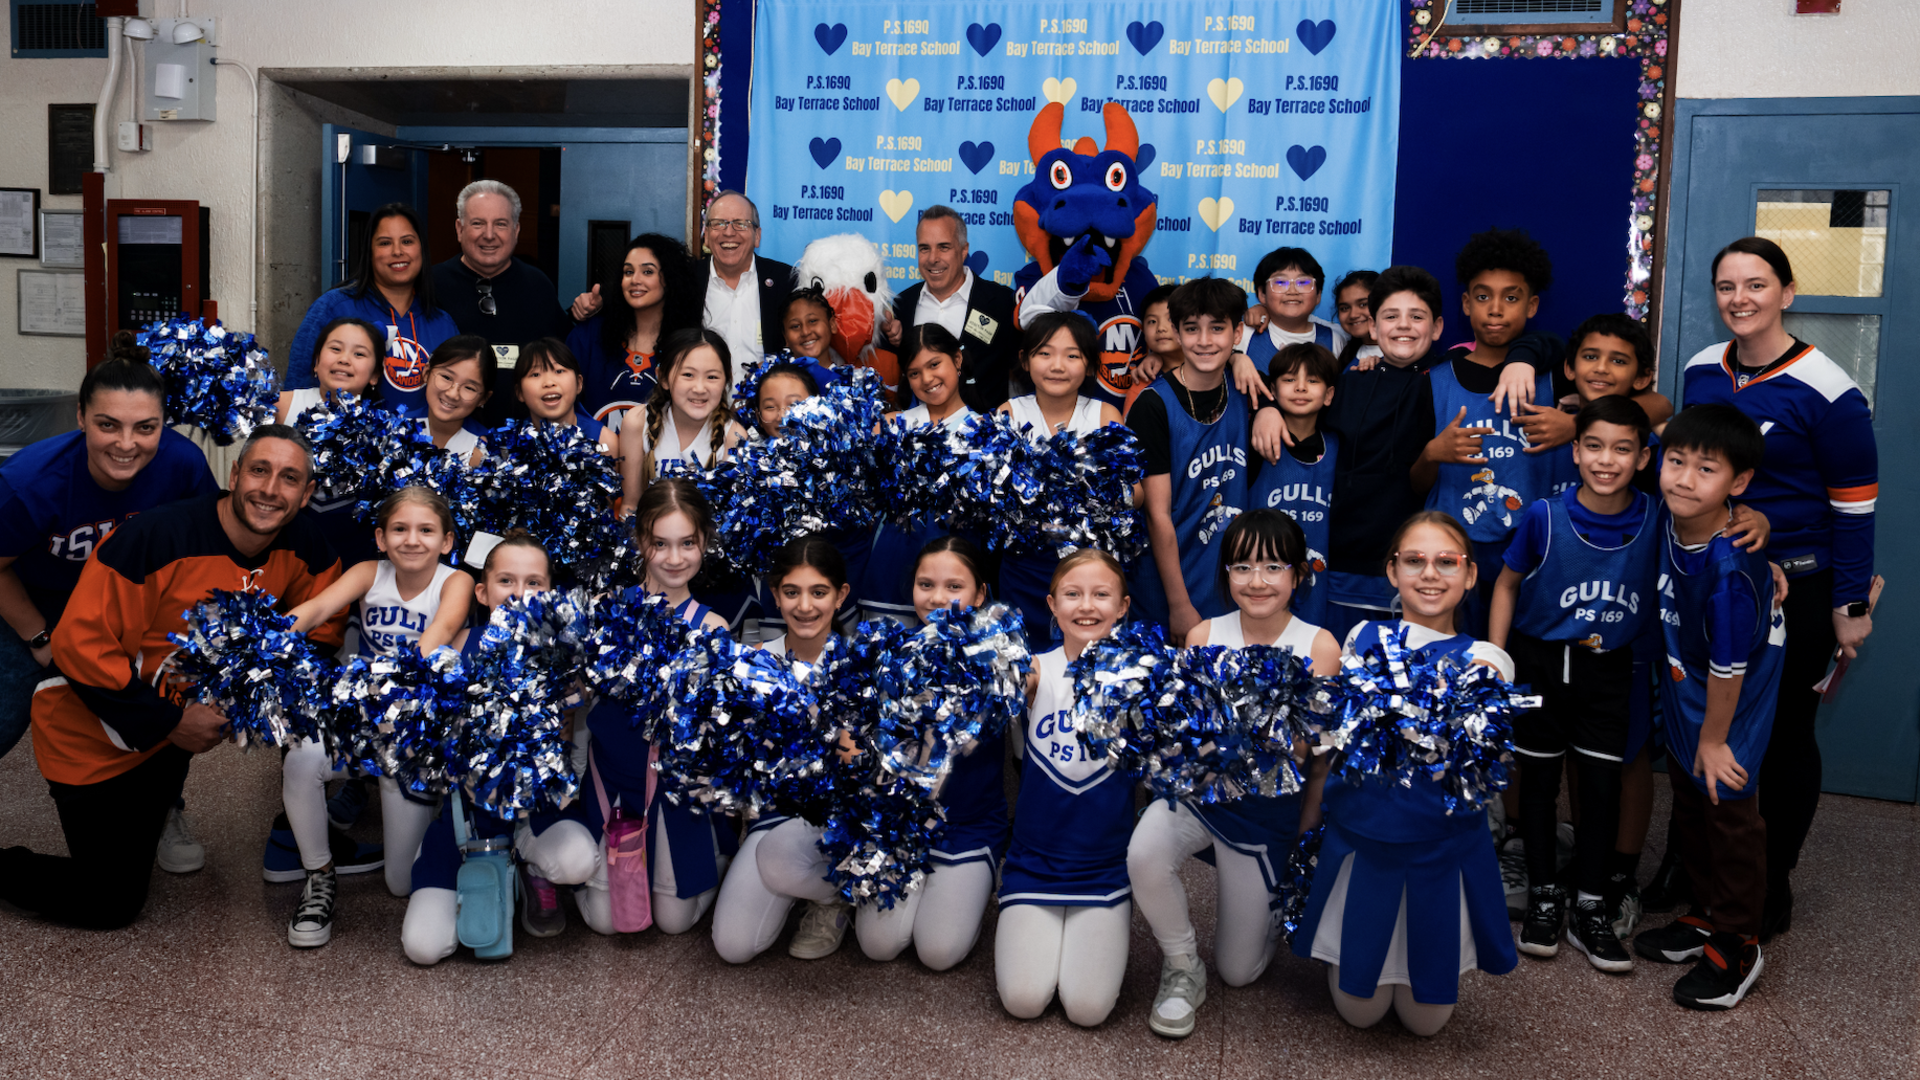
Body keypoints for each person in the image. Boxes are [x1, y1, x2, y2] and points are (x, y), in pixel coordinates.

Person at [0, 426, 345, 929]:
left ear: (307, 492)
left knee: (128, 866)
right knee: (109, 901)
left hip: (168, 739)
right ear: (234, 475)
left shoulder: (306, 543)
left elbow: (325, 629)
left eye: (289, 478)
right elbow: (78, 645)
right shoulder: (154, 537)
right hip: (89, 736)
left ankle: (164, 812)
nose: (271, 490)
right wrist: (170, 723)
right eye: (259, 470)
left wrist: (253, 695)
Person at [1676, 237, 1876, 940]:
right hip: (1720, 579)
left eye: (1756, 285)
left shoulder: (1829, 388)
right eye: (1727, 286)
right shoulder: (1703, 368)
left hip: (1803, 586)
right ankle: (1705, 883)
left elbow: (1855, 508)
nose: (1741, 299)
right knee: (1710, 724)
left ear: (1787, 293)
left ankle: (1770, 887)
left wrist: (1851, 606)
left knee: (1784, 735)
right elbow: (1702, 470)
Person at [1291, 511, 1520, 1036]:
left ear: (1470, 574)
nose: (1430, 573)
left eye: (1447, 562)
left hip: (1438, 854)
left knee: (1426, 1022)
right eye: (1414, 561)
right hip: (1365, 843)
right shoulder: (1363, 635)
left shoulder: (1488, 659)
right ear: (1393, 572)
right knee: (1360, 1012)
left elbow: (1476, 707)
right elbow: (1331, 737)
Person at [0, 337, 219, 878]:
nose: (126, 444)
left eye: (145, 427)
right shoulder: (29, 482)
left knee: (165, 699)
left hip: (132, 610)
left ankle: (165, 807)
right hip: (38, 604)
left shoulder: (183, 467)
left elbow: (206, 547)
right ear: (80, 418)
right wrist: (40, 639)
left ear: (164, 425)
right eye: (107, 425)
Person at [1129, 510, 1339, 1038]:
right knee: (1143, 852)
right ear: (1226, 573)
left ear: (1298, 574)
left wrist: (1303, 836)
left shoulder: (1319, 646)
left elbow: (1317, 758)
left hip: (1266, 817)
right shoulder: (1203, 635)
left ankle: (1264, 906)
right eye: (1242, 567)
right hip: (1202, 800)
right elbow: (1184, 738)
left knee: (1239, 973)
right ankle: (1182, 964)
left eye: (1273, 566)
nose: (1257, 581)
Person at [1487, 396, 1657, 974]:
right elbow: (1506, 584)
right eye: (1595, 446)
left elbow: (1710, 534)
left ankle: (1590, 905)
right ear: (1576, 450)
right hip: (1539, 663)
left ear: (1643, 457)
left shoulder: (1657, 517)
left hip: (1608, 670)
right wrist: (1497, 659)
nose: (1606, 460)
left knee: (1600, 787)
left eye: (1623, 449)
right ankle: (1543, 896)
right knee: (1537, 784)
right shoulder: (1544, 516)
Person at [1631, 404, 1785, 1011]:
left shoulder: (1727, 570)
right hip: (1686, 680)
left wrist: (1715, 739)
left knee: (1727, 810)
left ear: (1739, 482)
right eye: (1676, 462)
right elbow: (1649, 427)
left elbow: (1731, 668)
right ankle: (1706, 912)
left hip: (1731, 700)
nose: (1684, 479)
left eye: (1706, 469)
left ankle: (1740, 941)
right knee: (1690, 801)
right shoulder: (1675, 514)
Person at [268, 487, 472, 947]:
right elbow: (317, 608)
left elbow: (439, 634)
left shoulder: (454, 581)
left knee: (399, 883)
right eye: (399, 529)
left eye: (426, 530)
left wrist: (384, 683)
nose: (412, 540)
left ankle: (432, 826)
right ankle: (319, 874)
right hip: (364, 715)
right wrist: (269, 636)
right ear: (380, 538)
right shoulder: (368, 572)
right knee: (301, 758)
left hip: (414, 730)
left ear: (446, 541)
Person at [401, 531, 599, 963]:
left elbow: (570, 739)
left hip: (537, 814)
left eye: (534, 583)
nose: (519, 593)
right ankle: (465, 869)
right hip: (467, 820)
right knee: (422, 947)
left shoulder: (564, 654)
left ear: (550, 592)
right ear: (482, 591)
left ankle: (531, 869)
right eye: (506, 581)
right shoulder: (457, 646)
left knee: (579, 861)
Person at [1254, 266, 1445, 644]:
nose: (1403, 326)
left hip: (1413, 569)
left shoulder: (1446, 379)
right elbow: (1303, 406)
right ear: (1373, 327)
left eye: (1416, 317)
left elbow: (1535, 349)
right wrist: (1267, 409)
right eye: (1391, 316)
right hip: (1342, 566)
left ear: (1436, 327)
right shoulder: (1351, 381)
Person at [581, 479, 736, 936]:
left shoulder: (713, 626)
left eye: (687, 543)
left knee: (673, 922)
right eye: (660, 543)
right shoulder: (606, 608)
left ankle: (720, 856)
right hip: (611, 782)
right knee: (606, 923)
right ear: (639, 541)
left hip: (673, 791)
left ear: (704, 541)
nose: (674, 558)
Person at [997, 548, 1135, 1027]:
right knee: (1023, 1001)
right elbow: (998, 682)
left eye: (1101, 595)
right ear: (1052, 605)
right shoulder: (1036, 669)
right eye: (1073, 595)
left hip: (1104, 868)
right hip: (1033, 863)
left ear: (1123, 606)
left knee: (1088, 1010)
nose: (1087, 606)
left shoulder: (1141, 677)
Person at [856, 537, 1009, 969]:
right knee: (878, 946)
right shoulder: (890, 654)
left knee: (938, 952)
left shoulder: (998, 659)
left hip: (968, 824)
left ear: (979, 594)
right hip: (902, 825)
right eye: (926, 585)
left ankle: (983, 875)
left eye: (954, 587)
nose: (938, 598)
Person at [1413, 231, 1572, 636]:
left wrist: (1576, 425)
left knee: (1517, 659)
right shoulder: (1434, 380)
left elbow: (1650, 408)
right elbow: (1412, 484)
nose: (1496, 309)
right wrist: (1432, 453)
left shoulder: (1555, 377)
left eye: (1511, 297)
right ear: (1466, 303)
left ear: (1532, 305)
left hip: (1533, 549)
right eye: (1483, 296)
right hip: (1451, 549)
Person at [711, 536, 856, 963]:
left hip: (837, 825)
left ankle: (833, 896)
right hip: (771, 820)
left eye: (819, 592)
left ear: (841, 595)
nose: (805, 606)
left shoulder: (861, 663)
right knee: (733, 946)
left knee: (783, 860)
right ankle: (804, 888)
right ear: (775, 595)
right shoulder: (753, 661)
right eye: (792, 592)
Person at [1129, 277, 1251, 642]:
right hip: (1167, 581)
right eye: (1192, 328)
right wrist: (1178, 604)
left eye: (1217, 328)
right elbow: (1157, 514)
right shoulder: (1152, 405)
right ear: (1178, 334)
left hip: (1226, 579)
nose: (1204, 340)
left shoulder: (1248, 392)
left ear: (1237, 333)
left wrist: (1271, 411)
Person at [996, 312, 1125, 646]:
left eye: (1072, 356)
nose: (1057, 366)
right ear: (1025, 360)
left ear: (1090, 365)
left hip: (1090, 568)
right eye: (1044, 353)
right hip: (1025, 567)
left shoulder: (1105, 415)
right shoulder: (1009, 414)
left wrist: (1092, 491)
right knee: (1025, 660)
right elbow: (991, 495)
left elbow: (1135, 494)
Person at [283, 203, 460, 415]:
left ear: (421, 248)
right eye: (385, 243)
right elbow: (298, 388)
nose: (397, 251)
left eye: (407, 241)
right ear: (369, 252)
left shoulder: (443, 324)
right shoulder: (334, 307)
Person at [431, 180, 575, 426]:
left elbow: (563, 358)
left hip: (525, 438)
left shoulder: (538, 285)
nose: (489, 235)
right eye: (478, 223)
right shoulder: (431, 285)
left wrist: (581, 314)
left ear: (516, 230)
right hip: (450, 436)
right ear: (459, 228)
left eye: (500, 224)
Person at [861, 325, 977, 625]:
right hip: (889, 567)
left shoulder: (986, 431)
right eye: (914, 373)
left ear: (957, 359)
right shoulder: (888, 426)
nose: (927, 379)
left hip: (954, 576)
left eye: (934, 364)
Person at [885, 206, 1019, 411]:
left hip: (985, 428)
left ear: (964, 250)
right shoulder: (902, 305)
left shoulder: (1002, 302)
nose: (933, 258)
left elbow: (1023, 370)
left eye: (944, 247)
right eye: (924, 248)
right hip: (919, 428)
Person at [1245, 342, 1340, 628]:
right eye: (1289, 380)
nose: (1300, 388)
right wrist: (1238, 359)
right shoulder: (1256, 442)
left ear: (1329, 395)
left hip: (1320, 588)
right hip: (1258, 586)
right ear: (1272, 391)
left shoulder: (1338, 446)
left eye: (1312, 381)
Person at [566, 233, 699, 434]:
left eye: (647, 272)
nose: (635, 280)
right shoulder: (588, 336)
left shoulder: (690, 346)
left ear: (669, 278)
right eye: (628, 272)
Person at [619, 328, 746, 508]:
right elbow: (630, 506)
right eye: (688, 375)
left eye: (712, 377)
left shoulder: (734, 437)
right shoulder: (637, 421)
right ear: (663, 377)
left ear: (726, 381)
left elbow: (731, 516)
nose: (699, 388)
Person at [698, 191, 794, 368]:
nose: (729, 232)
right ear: (706, 235)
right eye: (719, 224)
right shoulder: (685, 281)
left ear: (757, 236)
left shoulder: (787, 281)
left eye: (741, 224)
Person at [1235, 247, 1347, 375]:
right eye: (1280, 282)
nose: (1292, 291)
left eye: (1303, 282)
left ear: (1318, 295)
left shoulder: (1335, 339)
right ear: (1262, 294)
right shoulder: (1244, 335)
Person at [511, 338, 617, 454]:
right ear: (519, 392)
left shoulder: (603, 440)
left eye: (559, 371)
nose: (549, 382)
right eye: (535, 374)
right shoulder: (509, 443)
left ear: (579, 383)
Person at [412, 335, 491, 464]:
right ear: (426, 373)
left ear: (483, 398)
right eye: (446, 377)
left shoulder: (488, 451)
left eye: (469, 388)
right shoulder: (394, 430)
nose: (452, 394)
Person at [1123, 284, 1182, 414]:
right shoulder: (1142, 385)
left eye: (1170, 319)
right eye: (1152, 321)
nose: (1161, 328)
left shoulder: (1208, 371)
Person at [1331, 269, 1382, 368]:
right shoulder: (1345, 356)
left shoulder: (1404, 356)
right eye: (1345, 308)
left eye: (1363, 304)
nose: (1353, 315)